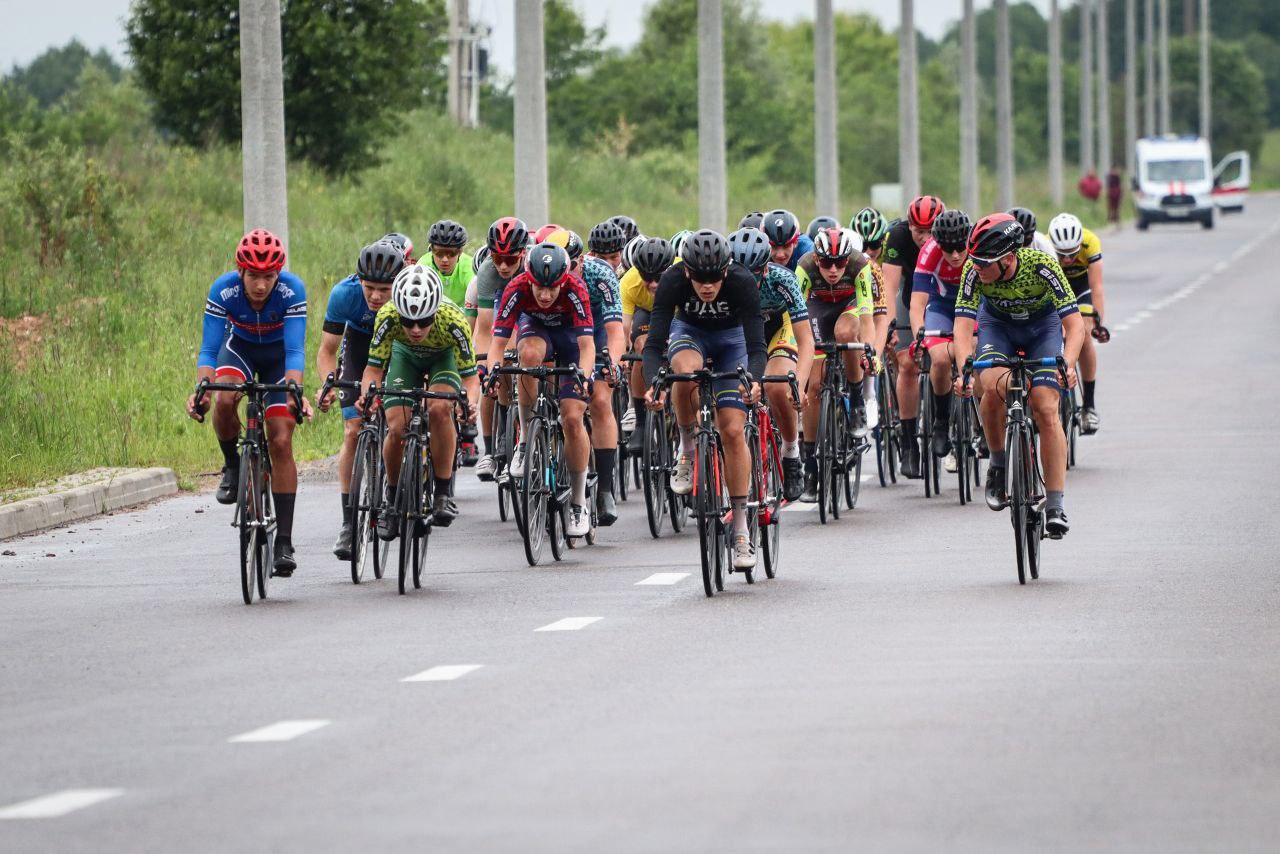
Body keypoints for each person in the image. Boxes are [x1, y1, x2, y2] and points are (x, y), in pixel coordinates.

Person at [187, 229, 312, 576]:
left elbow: (295, 350)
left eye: (268, 276)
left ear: (278, 274)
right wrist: (203, 389)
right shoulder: (223, 289)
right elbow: (210, 350)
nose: (260, 286)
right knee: (225, 395)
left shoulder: (292, 290)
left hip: (276, 357)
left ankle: (283, 541)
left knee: (282, 439)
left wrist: (294, 390)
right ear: (240, 271)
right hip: (239, 348)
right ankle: (231, 467)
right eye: (254, 276)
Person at [953, 213, 1084, 538]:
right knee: (993, 387)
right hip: (999, 329)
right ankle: (998, 464)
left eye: (984, 262)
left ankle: (1054, 504)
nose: (976, 267)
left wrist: (1067, 364)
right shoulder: (974, 271)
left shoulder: (1042, 266)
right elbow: (962, 327)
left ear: (1009, 258)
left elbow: (1075, 324)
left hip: (1043, 329)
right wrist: (964, 371)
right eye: (974, 261)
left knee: (1045, 408)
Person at [643, 229, 767, 570]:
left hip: (733, 344)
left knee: (731, 430)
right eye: (700, 279)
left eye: (714, 278)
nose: (707, 286)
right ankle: (686, 447)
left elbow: (757, 346)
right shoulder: (672, 279)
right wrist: (655, 383)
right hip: (690, 335)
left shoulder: (742, 281)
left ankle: (741, 528)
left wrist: (753, 380)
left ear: (726, 271)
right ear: (687, 272)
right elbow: (654, 344)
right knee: (683, 372)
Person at [486, 242, 597, 537]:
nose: (546, 295)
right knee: (529, 357)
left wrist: (583, 377)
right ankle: (525, 440)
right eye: (540, 288)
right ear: (529, 279)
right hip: (536, 330)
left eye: (553, 288)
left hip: (571, 340)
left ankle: (577, 500)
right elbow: (497, 344)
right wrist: (492, 372)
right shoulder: (518, 287)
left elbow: (587, 347)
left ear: (564, 280)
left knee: (572, 418)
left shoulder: (576, 288)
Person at [362, 264, 478, 537]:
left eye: (423, 321)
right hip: (405, 358)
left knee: (439, 409)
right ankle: (391, 501)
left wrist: (470, 404)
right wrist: (370, 396)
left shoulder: (453, 319)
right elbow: (374, 370)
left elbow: (471, 379)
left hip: (442, 357)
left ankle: (442, 492)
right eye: (408, 321)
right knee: (397, 428)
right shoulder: (388, 316)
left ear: (435, 311)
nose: (415, 329)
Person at [315, 239, 404, 559]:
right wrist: (328, 383)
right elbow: (327, 351)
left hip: (398, 345)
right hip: (359, 345)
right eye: (369, 288)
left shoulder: (407, 296)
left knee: (398, 423)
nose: (376, 296)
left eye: (384, 289)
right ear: (358, 281)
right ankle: (349, 522)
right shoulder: (344, 295)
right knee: (353, 430)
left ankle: (398, 489)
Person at [727, 226, 815, 501]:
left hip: (779, 328)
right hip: (742, 333)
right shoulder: (721, 283)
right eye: (741, 273)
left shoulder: (783, 280)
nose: (747, 281)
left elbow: (806, 341)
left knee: (778, 386)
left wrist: (798, 385)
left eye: (754, 274)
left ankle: (791, 454)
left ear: (766, 269)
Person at [796, 226, 876, 502]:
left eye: (839, 263)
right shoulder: (804, 267)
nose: (833, 269)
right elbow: (796, 316)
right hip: (817, 310)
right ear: (817, 260)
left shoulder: (859, 264)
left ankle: (855, 401)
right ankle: (810, 466)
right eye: (827, 263)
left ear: (847, 259)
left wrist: (870, 351)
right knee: (815, 387)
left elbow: (867, 317)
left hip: (849, 307)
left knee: (846, 336)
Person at [552, 227, 626, 525]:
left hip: (593, 334)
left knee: (599, 399)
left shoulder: (601, 275)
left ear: (580, 261)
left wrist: (614, 363)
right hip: (559, 332)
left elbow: (615, 332)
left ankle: (605, 488)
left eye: (569, 266)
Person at [881, 195, 945, 478]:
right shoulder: (896, 237)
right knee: (907, 364)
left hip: (942, 295)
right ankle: (909, 444)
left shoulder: (952, 236)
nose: (926, 238)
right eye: (920, 232)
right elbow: (890, 286)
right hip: (911, 294)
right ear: (909, 226)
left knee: (951, 357)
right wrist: (890, 326)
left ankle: (951, 421)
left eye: (932, 231)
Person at [910, 209, 972, 466]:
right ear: (939, 244)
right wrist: (918, 339)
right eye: (949, 250)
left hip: (973, 304)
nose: (956, 255)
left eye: (960, 248)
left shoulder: (979, 248)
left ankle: (981, 418)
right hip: (942, 305)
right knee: (940, 358)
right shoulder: (930, 251)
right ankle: (942, 419)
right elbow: (917, 304)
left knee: (976, 355)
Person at [471, 217, 529, 480]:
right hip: (500, 311)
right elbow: (485, 328)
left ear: (524, 254)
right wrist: (484, 369)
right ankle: (491, 449)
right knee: (494, 374)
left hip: (530, 311)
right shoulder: (487, 273)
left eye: (511, 259)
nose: (504, 266)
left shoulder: (532, 267)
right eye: (498, 258)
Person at [1047, 212, 1109, 433]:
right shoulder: (1045, 245)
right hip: (1056, 288)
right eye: (1061, 255)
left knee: (1082, 336)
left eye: (1072, 254)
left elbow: (1097, 287)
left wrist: (1098, 321)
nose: (1066, 260)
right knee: (1057, 332)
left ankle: (1089, 406)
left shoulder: (1090, 241)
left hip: (1082, 287)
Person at [620, 236, 677, 454]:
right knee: (640, 348)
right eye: (647, 277)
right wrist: (623, 355)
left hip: (676, 310)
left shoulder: (682, 273)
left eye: (658, 277)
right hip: (647, 313)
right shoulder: (628, 282)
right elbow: (624, 328)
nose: (653, 284)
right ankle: (641, 422)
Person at [761, 209, 816, 273]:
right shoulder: (759, 250)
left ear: (796, 242)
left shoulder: (807, 249)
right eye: (774, 246)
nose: (780, 254)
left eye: (786, 246)